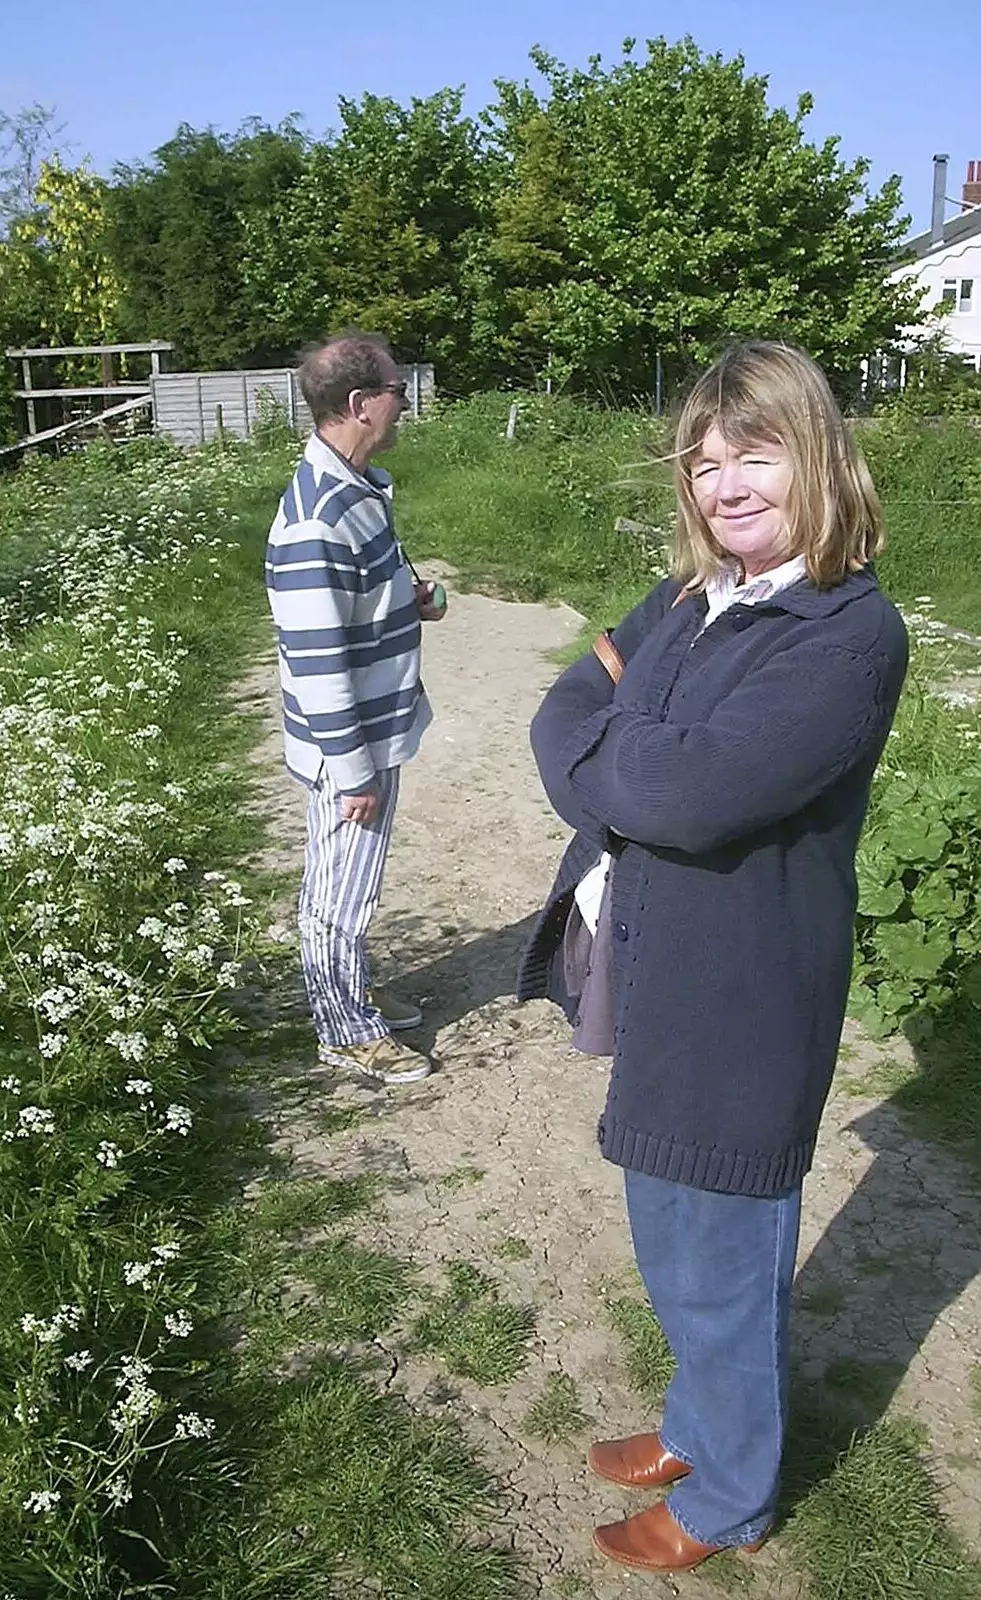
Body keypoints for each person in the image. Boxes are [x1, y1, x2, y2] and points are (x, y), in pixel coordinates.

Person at [518, 341, 908, 1573]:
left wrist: (623, 765)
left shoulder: (845, 634)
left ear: (819, 459)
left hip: (747, 990)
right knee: (666, 1225)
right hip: (655, 966)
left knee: (725, 1254)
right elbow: (558, 710)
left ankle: (729, 1494)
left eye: (755, 455)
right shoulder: (689, 598)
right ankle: (698, 1424)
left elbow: (686, 797)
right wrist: (629, 762)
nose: (724, 484)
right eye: (703, 462)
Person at [265, 332, 446, 1086]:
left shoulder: (357, 489)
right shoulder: (316, 518)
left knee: (353, 879)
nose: (405, 402)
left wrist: (415, 601)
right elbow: (317, 661)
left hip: (372, 735)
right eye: (397, 391)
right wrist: (353, 771)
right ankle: (342, 1030)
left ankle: (350, 991)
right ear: (359, 404)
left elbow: (359, 603)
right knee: (338, 887)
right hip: (351, 748)